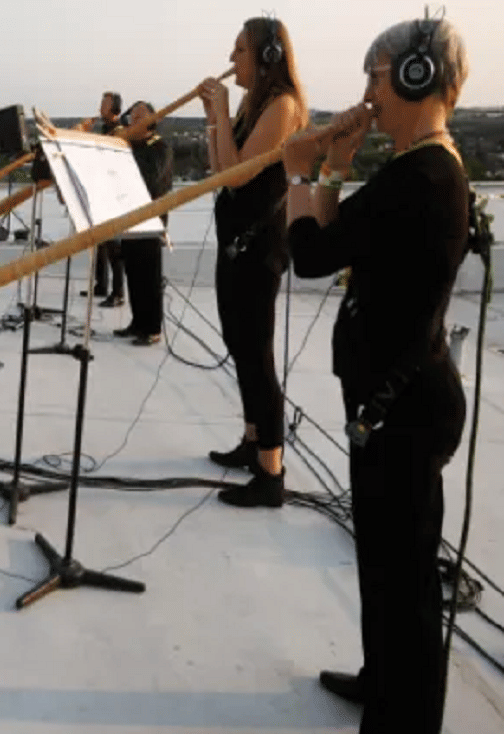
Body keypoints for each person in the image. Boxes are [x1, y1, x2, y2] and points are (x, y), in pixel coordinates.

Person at [282, 15, 470, 734]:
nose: (367, 93)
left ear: (419, 78)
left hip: (402, 411)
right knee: (388, 569)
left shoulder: (419, 177)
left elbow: (310, 255)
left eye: (377, 76)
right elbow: (342, 242)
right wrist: (337, 167)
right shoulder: (416, 170)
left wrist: (303, 168)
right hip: (398, 403)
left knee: (405, 586)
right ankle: (382, 678)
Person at [198, 17, 308, 508]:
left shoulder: (283, 106)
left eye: (239, 50)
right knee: (238, 344)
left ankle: (271, 470)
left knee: (257, 354)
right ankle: (251, 440)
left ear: (266, 57)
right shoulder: (252, 103)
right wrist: (214, 118)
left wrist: (221, 109)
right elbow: (221, 171)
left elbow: (241, 176)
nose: (230, 59)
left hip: (258, 247)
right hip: (234, 240)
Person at [112, 101, 173, 345]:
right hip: (129, 218)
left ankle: (152, 328)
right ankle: (137, 322)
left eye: (139, 117)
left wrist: (127, 149)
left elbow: (150, 179)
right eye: (132, 117)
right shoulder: (131, 146)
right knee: (133, 273)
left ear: (152, 120)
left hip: (150, 221)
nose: (133, 121)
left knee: (149, 275)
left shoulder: (159, 147)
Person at [78, 91, 127, 306]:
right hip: (101, 193)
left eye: (105, 103)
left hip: (113, 196)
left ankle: (118, 293)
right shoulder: (106, 130)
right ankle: (101, 285)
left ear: (115, 108)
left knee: (114, 247)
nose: (100, 107)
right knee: (99, 243)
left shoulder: (119, 132)